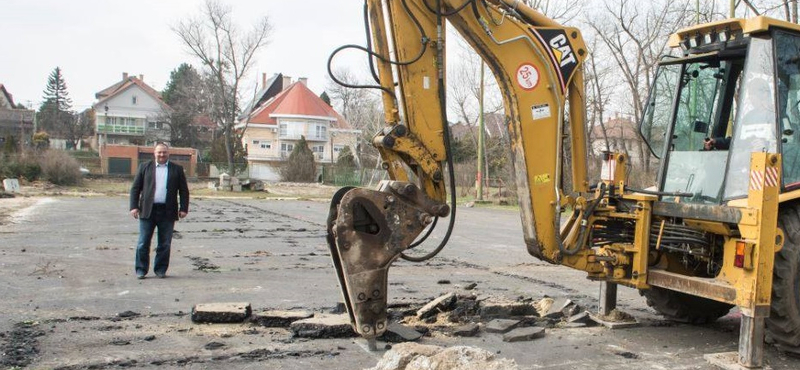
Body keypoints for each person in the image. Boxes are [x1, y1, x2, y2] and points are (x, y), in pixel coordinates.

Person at [129, 143, 189, 279]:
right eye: (159, 152)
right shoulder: (144, 167)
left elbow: (184, 191)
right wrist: (134, 207)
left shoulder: (177, 169)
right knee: (143, 242)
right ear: (154, 153)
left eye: (164, 152)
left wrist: (183, 208)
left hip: (167, 212)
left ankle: (160, 269)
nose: (162, 155)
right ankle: (141, 270)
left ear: (168, 154)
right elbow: (135, 188)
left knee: (165, 243)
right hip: (147, 210)